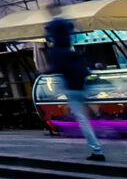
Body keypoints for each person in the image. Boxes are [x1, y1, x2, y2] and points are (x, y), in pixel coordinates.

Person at [43, 17, 103, 161]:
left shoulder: (55, 52)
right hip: (82, 86)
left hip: (72, 89)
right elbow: (85, 70)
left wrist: (43, 71)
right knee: (85, 116)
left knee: (82, 120)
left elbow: (56, 68)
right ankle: (99, 140)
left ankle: (96, 150)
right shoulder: (70, 51)